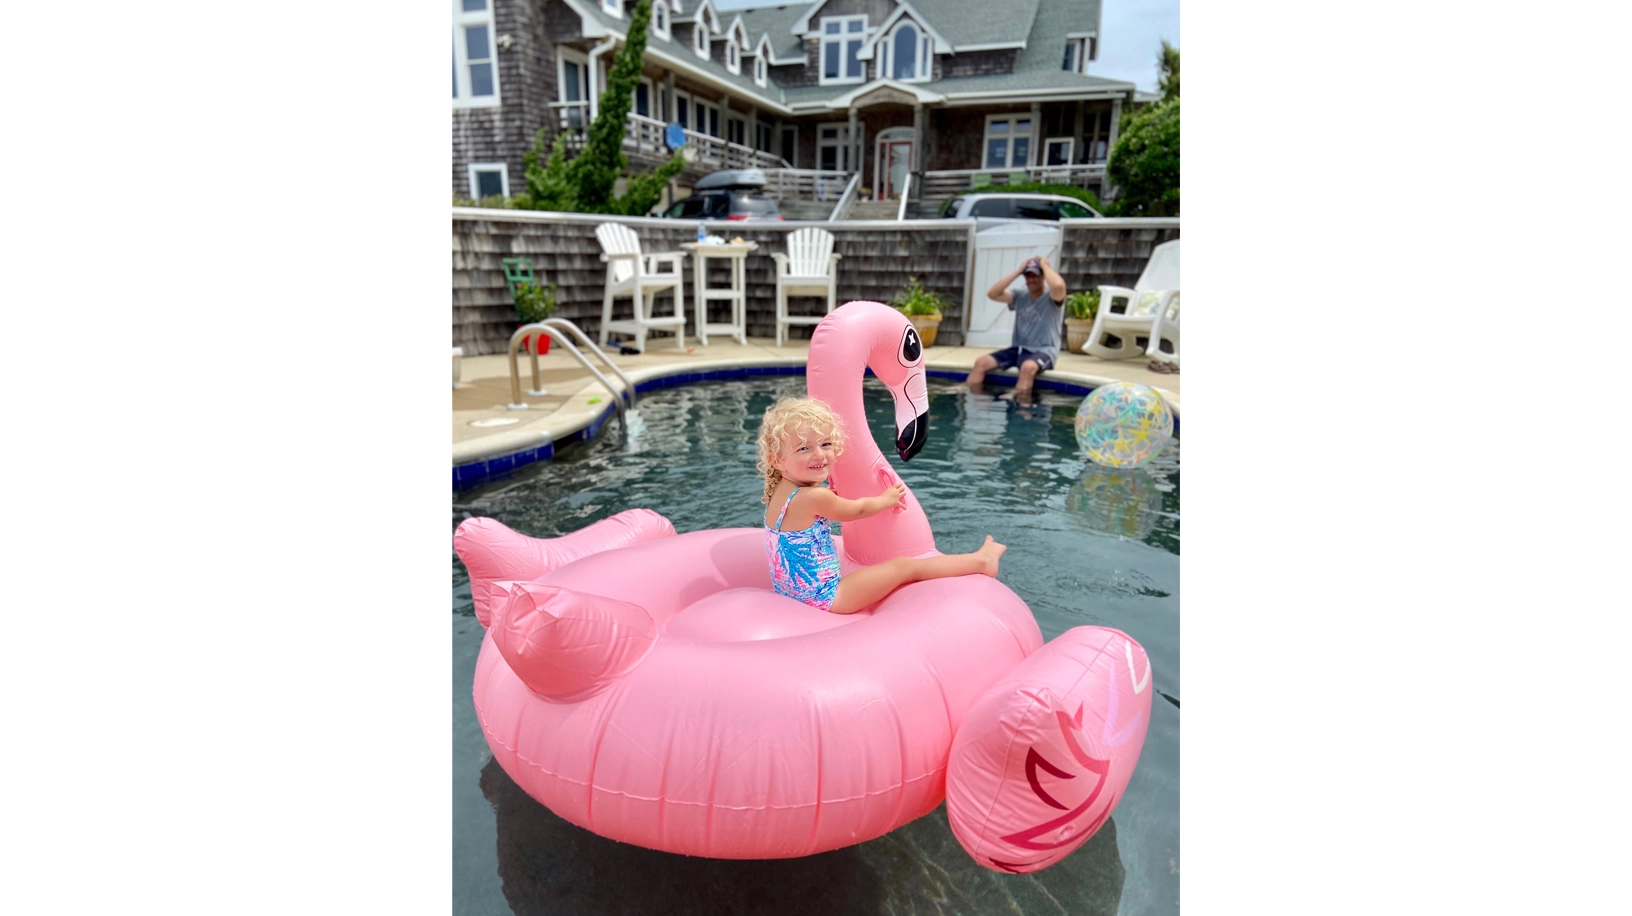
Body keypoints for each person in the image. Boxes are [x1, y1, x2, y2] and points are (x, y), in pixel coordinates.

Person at [757, 397, 1005, 615]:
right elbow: (857, 510)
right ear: (776, 459)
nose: (820, 455)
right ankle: (981, 561)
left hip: (791, 593)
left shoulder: (780, 491)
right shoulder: (815, 497)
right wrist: (885, 500)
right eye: (804, 448)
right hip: (826, 598)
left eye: (826, 444)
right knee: (903, 567)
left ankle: (979, 560)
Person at [964, 254, 1067, 395]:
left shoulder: (1052, 297)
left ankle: (1017, 398)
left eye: (1035, 275)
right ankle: (967, 392)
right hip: (1019, 349)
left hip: (1044, 350)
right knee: (981, 362)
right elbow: (992, 294)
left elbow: (1059, 285)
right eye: (1028, 276)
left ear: (1043, 276)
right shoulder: (1020, 295)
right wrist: (1018, 271)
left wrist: (1045, 266)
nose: (1031, 279)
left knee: (1027, 368)